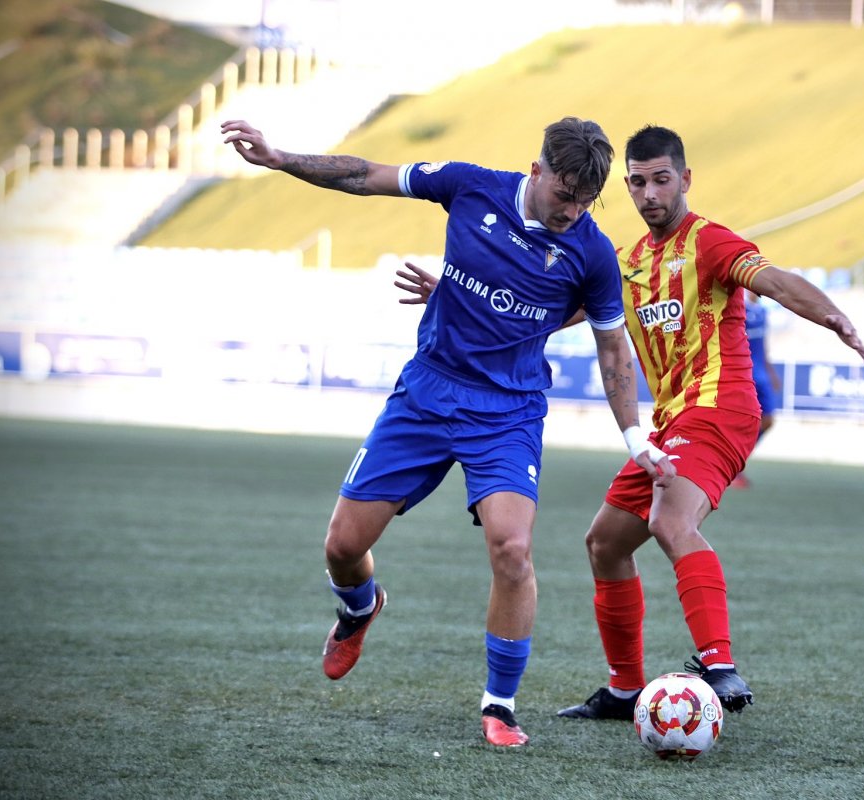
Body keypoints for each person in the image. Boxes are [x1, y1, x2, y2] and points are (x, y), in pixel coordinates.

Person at [220, 117, 675, 748]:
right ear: (536, 171)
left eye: (585, 200)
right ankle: (359, 608)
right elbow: (365, 174)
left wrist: (634, 435)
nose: (573, 210)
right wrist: (278, 157)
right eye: (564, 193)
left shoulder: (593, 253)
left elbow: (613, 350)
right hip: (428, 392)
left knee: (513, 548)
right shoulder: (471, 187)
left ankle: (500, 706)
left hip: (508, 412)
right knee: (342, 547)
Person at [550, 124, 864, 721]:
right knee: (605, 544)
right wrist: (462, 297)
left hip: (720, 409)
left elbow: (773, 280)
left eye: (661, 180)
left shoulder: (709, 242)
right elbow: (553, 310)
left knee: (669, 519)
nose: (650, 194)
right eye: (638, 183)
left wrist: (833, 316)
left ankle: (719, 665)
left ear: (685, 180)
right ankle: (625, 691)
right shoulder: (630, 262)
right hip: (671, 423)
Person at [729, 288, 781, 489]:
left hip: (761, 374)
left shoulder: (762, 312)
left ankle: (737, 461)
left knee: (767, 421)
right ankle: (732, 467)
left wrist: (771, 372)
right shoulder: (738, 308)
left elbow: (763, 346)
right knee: (741, 422)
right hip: (744, 372)